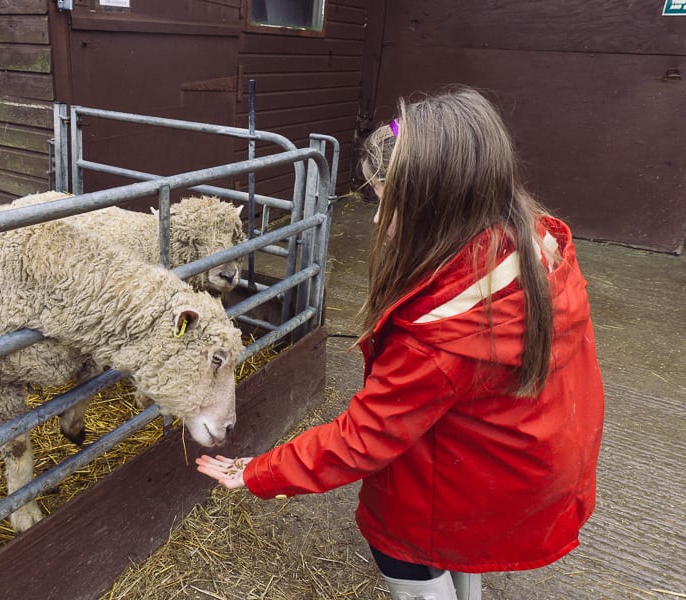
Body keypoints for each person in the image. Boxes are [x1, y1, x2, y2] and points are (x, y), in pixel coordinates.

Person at [196, 85, 605, 600]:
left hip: (478, 478)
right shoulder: (529, 241)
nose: (374, 220)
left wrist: (258, 471)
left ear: (439, 208)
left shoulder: (443, 335)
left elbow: (360, 439)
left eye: (389, 204)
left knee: (398, 540)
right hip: (515, 456)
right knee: (455, 543)